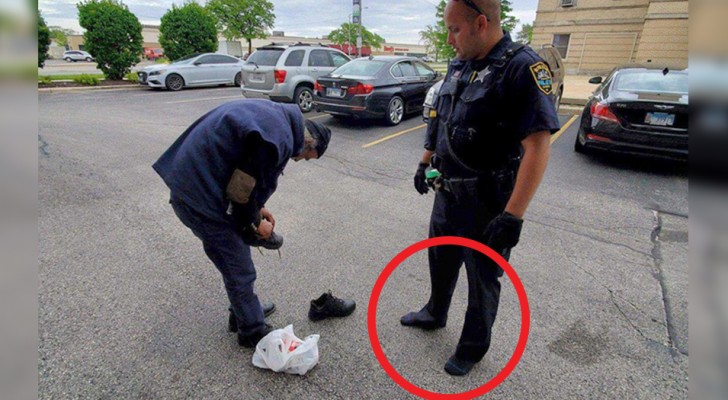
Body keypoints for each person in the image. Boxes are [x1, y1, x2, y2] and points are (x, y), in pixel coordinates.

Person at [404, 0, 560, 376]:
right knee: (441, 259)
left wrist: (513, 216)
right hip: (447, 192)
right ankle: (435, 311)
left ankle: (472, 348)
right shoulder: (460, 61)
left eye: (454, 29)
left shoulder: (522, 67)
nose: (448, 38)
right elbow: (440, 117)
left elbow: (538, 144)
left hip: (489, 200)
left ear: (481, 23)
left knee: (482, 277)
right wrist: (425, 161)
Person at [153, 99, 352, 348]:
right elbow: (239, 193)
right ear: (310, 144)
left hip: (193, 185)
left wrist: (258, 208)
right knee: (239, 266)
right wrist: (255, 225)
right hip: (199, 198)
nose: (301, 161)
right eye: (309, 157)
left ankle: (243, 311)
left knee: (233, 256)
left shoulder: (277, 121)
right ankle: (252, 330)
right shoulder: (276, 141)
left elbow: (245, 172)